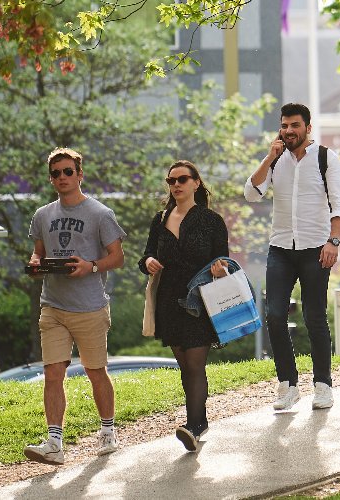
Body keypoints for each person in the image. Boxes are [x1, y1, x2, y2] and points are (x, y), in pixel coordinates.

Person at [24, 148, 127, 465]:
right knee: (53, 373)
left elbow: (118, 257)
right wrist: (35, 264)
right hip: (52, 306)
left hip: (90, 307)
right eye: (55, 173)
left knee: (96, 372)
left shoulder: (100, 213)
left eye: (68, 172)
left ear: (80, 175)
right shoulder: (43, 215)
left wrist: (91, 266)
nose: (62, 178)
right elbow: (38, 253)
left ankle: (108, 431)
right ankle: (54, 442)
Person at [244, 103, 340, 411]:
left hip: (316, 248)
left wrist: (333, 241)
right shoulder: (276, 162)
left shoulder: (326, 158)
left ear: (307, 127)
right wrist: (269, 156)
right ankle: (288, 386)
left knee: (314, 317)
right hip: (280, 249)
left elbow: (339, 205)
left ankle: (323, 385)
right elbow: (251, 193)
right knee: (274, 315)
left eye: (295, 125)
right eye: (284, 125)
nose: (289, 131)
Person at [138, 160, 230, 451]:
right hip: (168, 301)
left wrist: (219, 268)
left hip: (199, 301)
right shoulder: (160, 218)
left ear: (196, 183)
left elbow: (223, 260)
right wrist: (148, 262)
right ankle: (197, 422)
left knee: (194, 365)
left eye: (181, 179)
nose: (175, 185)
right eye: (170, 180)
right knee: (184, 366)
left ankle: (195, 424)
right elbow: (146, 257)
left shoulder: (211, 220)